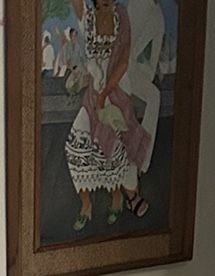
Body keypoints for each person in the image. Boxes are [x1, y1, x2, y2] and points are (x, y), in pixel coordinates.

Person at [58, 0, 163, 231]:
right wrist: (95, 87)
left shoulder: (122, 17)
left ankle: (123, 197)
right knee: (75, 145)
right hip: (93, 94)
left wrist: (105, 93)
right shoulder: (87, 17)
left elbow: (124, 61)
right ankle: (86, 204)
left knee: (115, 148)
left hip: (116, 89)